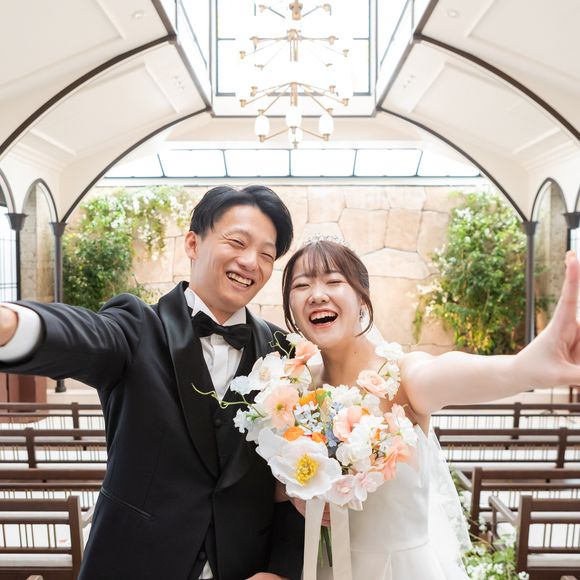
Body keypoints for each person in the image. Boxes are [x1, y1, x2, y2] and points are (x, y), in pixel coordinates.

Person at [0, 185, 304, 580]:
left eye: (266, 254)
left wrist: (281, 569)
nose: (250, 262)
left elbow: (294, 481)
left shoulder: (283, 353)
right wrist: (14, 324)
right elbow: (86, 335)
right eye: (237, 242)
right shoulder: (137, 327)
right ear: (193, 243)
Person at [280, 238, 580, 580]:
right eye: (301, 285)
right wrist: (295, 491)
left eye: (333, 281)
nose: (317, 295)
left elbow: (444, 372)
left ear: (362, 298)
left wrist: (524, 368)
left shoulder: (401, 375)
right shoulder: (293, 388)